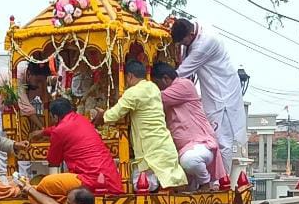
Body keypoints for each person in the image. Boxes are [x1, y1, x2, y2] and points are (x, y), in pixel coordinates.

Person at [170, 17, 246, 169]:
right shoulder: (193, 30)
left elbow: (181, 72)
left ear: (191, 35)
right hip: (210, 92)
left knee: (222, 142)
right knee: (210, 139)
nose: (182, 46)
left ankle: (222, 181)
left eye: (183, 42)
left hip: (222, 95)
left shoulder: (205, 43)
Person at [101, 60, 188, 190]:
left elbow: (112, 116)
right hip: (164, 143)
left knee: (141, 185)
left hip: (149, 148)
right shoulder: (153, 88)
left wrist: (101, 115)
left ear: (129, 76)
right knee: (169, 182)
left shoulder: (133, 93)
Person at [152, 61, 226, 190]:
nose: (156, 88)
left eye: (156, 84)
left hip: (199, 144)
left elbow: (154, 98)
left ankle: (205, 183)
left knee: (190, 162)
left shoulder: (184, 85)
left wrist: (136, 93)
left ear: (165, 79)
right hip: (180, 150)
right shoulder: (169, 96)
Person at [35, 97, 123, 198]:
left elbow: (54, 161)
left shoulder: (59, 130)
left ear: (55, 117)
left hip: (91, 180)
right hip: (112, 181)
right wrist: (43, 132)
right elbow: (62, 129)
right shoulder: (82, 120)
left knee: (46, 183)